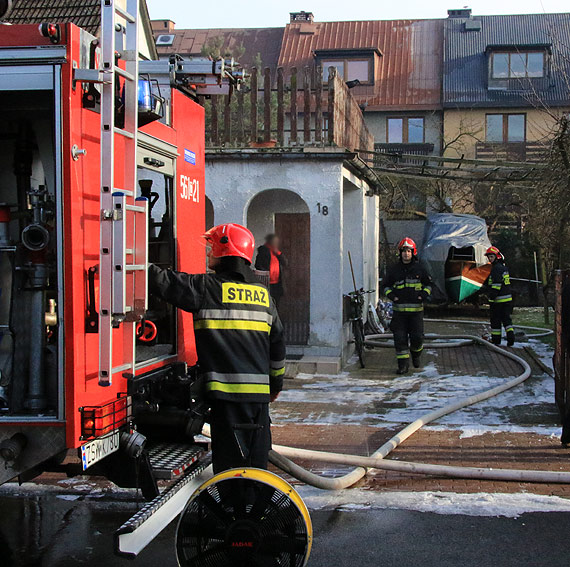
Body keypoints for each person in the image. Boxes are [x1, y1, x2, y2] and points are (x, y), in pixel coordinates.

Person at [148, 223, 286, 473]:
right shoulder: (265, 297)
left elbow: (164, 282)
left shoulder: (206, 289)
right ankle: (253, 509)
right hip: (258, 402)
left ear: (225, 251)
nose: (208, 253)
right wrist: (275, 386)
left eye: (212, 248)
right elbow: (278, 348)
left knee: (230, 469)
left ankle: (233, 510)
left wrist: (132, 263)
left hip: (226, 399)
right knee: (256, 467)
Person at [383, 237, 432, 374]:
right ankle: (403, 366)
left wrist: (423, 295)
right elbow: (385, 286)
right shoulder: (394, 269)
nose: (406, 254)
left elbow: (429, 284)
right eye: (404, 251)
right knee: (400, 339)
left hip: (416, 312)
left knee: (417, 338)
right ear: (400, 252)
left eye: (409, 251)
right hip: (399, 313)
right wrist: (393, 296)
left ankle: (416, 355)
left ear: (413, 252)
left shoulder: (420, 268)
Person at [484, 245, 514, 346]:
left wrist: (491, 297)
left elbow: (496, 284)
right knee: (506, 319)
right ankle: (511, 338)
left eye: (491, 257)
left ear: (497, 257)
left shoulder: (496, 269)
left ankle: (496, 340)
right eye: (489, 257)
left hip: (498, 300)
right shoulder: (504, 268)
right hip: (508, 299)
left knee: (496, 320)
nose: (490, 259)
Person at [255, 234, 288, 308]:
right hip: (267, 283)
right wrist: (265, 273)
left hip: (277, 283)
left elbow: (285, 263)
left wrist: (278, 253)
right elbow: (258, 265)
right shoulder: (264, 250)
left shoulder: (276, 251)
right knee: (268, 303)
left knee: (276, 304)